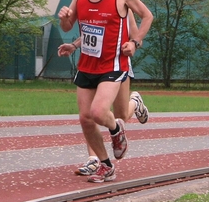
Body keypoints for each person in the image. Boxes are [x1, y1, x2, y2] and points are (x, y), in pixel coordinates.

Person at [58, 0, 153, 183]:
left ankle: (117, 129)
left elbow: (147, 16)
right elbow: (74, 25)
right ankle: (105, 165)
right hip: (87, 64)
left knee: (101, 112)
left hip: (113, 64)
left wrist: (135, 42)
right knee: (85, 118)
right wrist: (65, 22)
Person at [58, 10, 149, 176]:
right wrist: (74, 45)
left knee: (120, 115)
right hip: (92, 65)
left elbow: (137, 38)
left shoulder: (122, 3)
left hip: (116, 64)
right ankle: (94, 159)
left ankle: (135, 102)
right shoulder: (91, 1)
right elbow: (91, 34)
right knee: (90, 114)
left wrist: (132, 45)